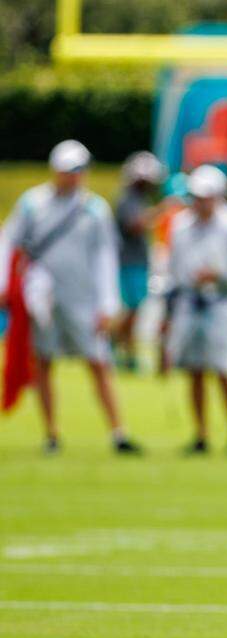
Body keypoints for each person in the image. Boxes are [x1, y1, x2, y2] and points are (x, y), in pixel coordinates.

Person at [0, 140, 142, 455]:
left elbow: (105, 258)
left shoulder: (95, 209)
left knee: (98, 363)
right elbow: (8, 241)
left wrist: (107, 303)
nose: (74, 177)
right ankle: (51, 433)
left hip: (83, 300)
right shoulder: (32, 204)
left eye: (79, 171)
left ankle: (118, 432)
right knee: (44, 363)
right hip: (44, 299)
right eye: (68, 171)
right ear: (56, 171)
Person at [165, 165, 227, 457]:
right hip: (189, 302)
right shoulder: (180, 225)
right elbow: (174, 267)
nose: (199, 202)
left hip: (221, 304)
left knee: (224, 369)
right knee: (193, 370)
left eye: (205, 197)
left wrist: (218, 275)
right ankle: (201, 434)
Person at [113, 151, 166, 371]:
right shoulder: (127, 199)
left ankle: (127, 353)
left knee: (135, 310)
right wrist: (161, 211)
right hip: (128, 262)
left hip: (137, 262)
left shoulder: (139, 199)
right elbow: (135, 224)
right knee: (131, 309)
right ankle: (113, 343)